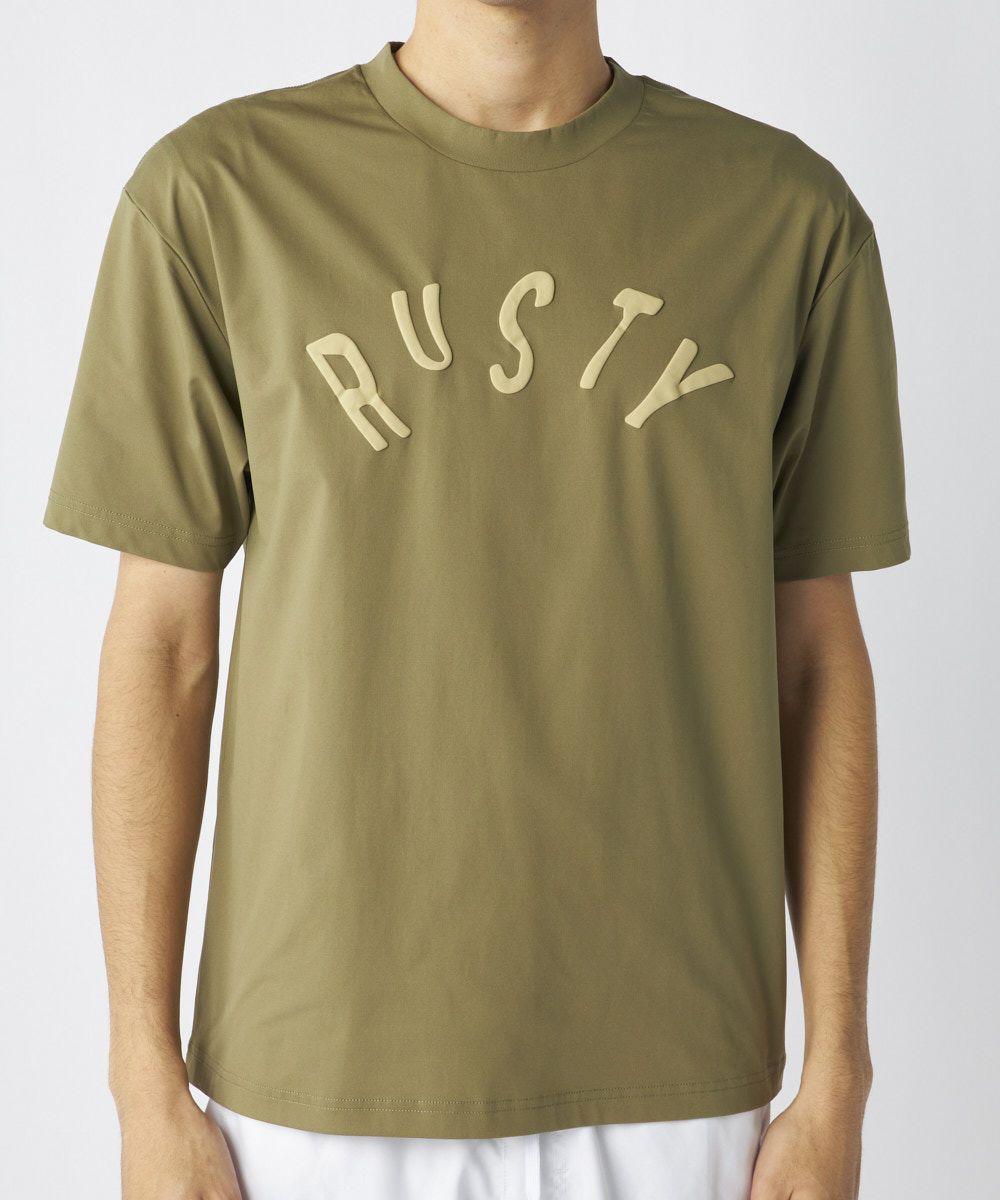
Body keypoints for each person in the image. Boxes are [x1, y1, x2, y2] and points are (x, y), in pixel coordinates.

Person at [44, 0, 909, 1197]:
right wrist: (143, 1084)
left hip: (677, 1084)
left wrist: (839, 1076)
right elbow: (162, 648)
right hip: (313, 1083)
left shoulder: (784, 217)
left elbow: (813, 658)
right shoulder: (216, 196)